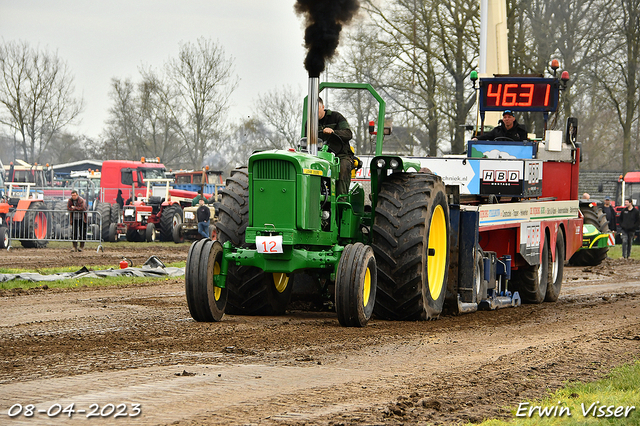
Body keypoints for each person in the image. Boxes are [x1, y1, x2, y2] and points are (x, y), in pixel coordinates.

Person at [316, 97, 354, 196]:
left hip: (340, 155)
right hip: (318, 155)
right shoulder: (310, 123)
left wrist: (333, 132)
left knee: (343, 167)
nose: (314, 112)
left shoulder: (336, 117)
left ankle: (341, 200)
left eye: (317, 109)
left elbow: (348, 134)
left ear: (323, 107)